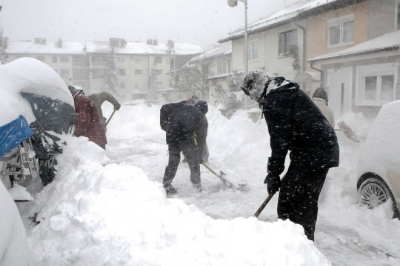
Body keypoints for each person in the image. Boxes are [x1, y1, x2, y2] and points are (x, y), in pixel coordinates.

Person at [241, 70, 339, 241]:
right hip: (317, 150)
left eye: (250, 94)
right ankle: (298, 243)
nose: (252, 99)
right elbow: (283, 139)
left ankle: (295, 245)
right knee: (301, 200)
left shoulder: (276, 100)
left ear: (256, 89)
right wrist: (274, 172)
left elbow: (279, 142)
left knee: (293, 202)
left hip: (314, 152)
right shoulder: (281, 91)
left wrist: (274, 173)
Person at [160, 100, 208, 195]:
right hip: (185, 137)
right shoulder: (200, 116)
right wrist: (200, 157)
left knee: (173, 161)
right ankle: (197, 187)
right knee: (194, 163)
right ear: (204, 111)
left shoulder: (182, 106)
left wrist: (166, 125)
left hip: (171, 135)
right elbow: (201, 139)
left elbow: (164, 108)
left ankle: (166, 184)